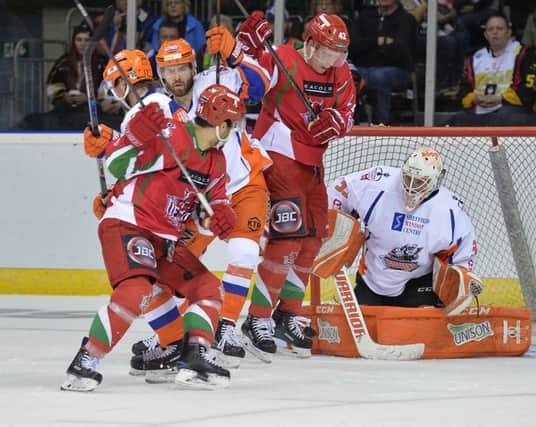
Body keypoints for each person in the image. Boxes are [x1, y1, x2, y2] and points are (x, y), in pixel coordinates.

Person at [61, 76, 246, 390]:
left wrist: (219, 218)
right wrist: (134, 137)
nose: (234, 130)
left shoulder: (215, 163)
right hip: (129, 223)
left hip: (165, 241)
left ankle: (195, 357)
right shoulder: (172, 137)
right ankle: (86, 361)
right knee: (136, 290)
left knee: (209, 289)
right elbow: (118, 166)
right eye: (232, 123)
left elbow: (209, 207)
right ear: (218, 121)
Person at [208, 12, 356, 361]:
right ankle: (256, 319)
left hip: (312, 164)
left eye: (341, 53)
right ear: (311, 43)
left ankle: (287, 313)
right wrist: (245, 46)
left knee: (312, 240)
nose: (336, 60)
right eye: (330, 52)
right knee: (287, 238)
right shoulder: (283, 58)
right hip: (278, 157)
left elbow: (348, 112)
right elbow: (251, 84)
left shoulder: (342, 73)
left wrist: (338, 123)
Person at [123, 35, 272, 373]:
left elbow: (262, 85)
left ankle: (227, 328)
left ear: (194, 67)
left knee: (245, 254)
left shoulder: (218, 78)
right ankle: (176, 336)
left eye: (182, 68)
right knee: (174, 274)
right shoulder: (158, 107)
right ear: (160, 74)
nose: (176, 76)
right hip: (199, 200)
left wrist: (234, 53)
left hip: (243, 186)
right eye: (169, 70)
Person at [326, 146, 483, 314]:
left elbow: (463, 253)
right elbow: (341, 188)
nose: (410, 187)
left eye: (419, 182)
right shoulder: (378, 184)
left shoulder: (450, 211)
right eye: (408, 178)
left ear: (435, 180)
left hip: (419, 284)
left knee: (418, 332)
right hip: (372, 280)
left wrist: (462, 274)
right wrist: (329, 227)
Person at [451, 12, 536, 125]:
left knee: (504, 117)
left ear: (509, 32)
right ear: (485, 35)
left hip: (512, 111)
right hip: (479, 110)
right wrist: (475, 98)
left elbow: (529, 91)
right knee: (459, 119)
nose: (495, 32)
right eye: (490, 29)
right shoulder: (474, 58)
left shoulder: (525, 54)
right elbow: (463, 91)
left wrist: (500, 98)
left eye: (499, 28)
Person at [349, 0, 416, 125]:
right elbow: (352, 46)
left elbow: (400, 52)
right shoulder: (364, 17)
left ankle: (382, 124)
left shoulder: (406, 19)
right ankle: (351, 122)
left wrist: (368, 48)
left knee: (378, 76)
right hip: (364, 68)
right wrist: (377, 41)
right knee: (349, 75)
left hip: (398, 71)